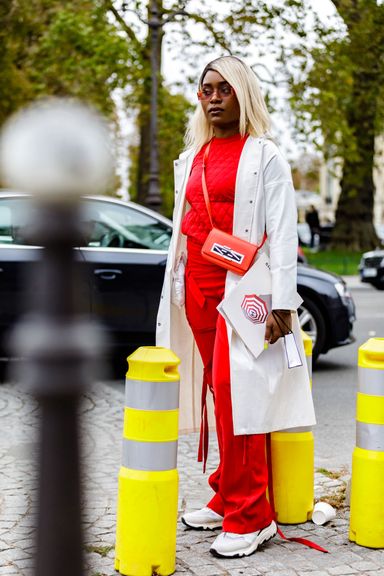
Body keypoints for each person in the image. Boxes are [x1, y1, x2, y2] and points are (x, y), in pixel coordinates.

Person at [156, 55, 316, 559]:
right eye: (207, 89)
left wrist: (284, 304)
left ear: (243, 94)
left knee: (239, 392)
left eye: (225, 88)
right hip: (199, 291)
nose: (214, 97)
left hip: (246, 292)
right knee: (217, 392)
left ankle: (253, 515)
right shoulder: (194, 156)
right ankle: (228, 492)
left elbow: (283, 230)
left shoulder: (264, 154)